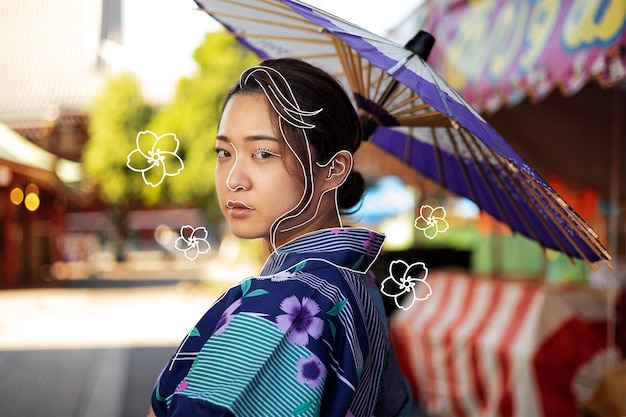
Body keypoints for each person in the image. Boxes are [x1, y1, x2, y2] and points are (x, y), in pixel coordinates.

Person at [150, 58, 411, 416]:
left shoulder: (290, 303)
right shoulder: (359, 284)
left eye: (262, 153)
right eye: (224, 152)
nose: (233, 179)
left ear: (333, 170)